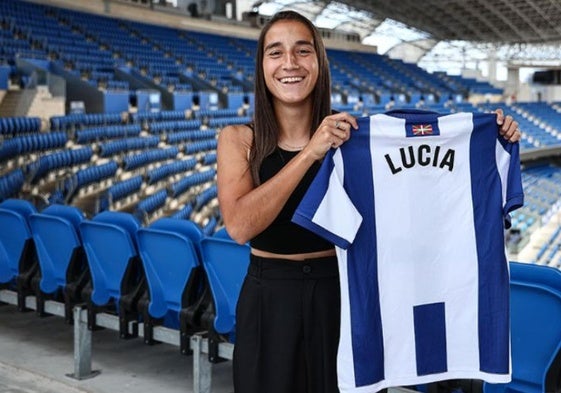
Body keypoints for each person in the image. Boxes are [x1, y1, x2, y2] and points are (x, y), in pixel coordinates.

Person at [216, 10, 521, 393]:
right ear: (261, 66)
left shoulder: (350, 137)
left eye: (302, 51)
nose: (290, 63)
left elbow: (421, 167)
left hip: (342, 293)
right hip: (269, 297)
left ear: (320, 63)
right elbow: (240, 226)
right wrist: (311, 152)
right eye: (275, 52)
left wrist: (490, 134)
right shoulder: (238, 138)